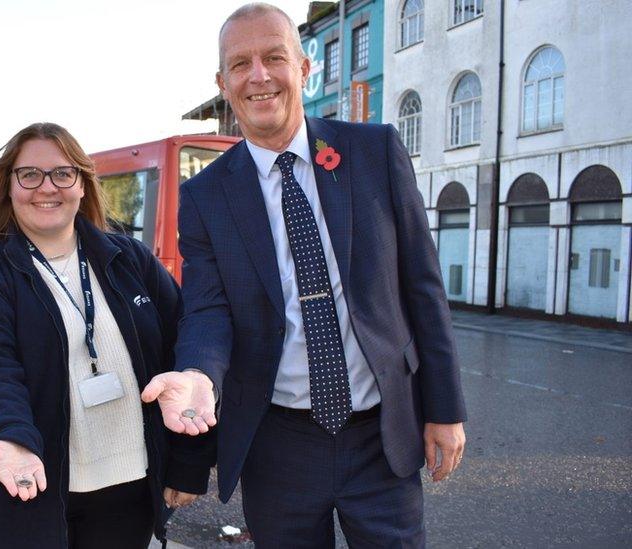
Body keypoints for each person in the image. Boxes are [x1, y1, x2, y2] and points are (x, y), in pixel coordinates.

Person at [141, 3, 467, 547]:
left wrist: (446, 409)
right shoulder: (205, 197)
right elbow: (208, 309)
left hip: (382, 435)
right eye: (240, 64)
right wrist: (197, 373)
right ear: (223, 82)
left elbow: (423, 287)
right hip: (278, 445)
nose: (259, 76)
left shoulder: (374, 150)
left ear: (303, 68)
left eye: (274, 57)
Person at [0, 122, 213, 549]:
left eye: (62, 173)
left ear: (82, 183)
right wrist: (9, 437)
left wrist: (189, 462)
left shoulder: (128, 259)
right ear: (8, 186)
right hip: (28, 485)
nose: (47, 187)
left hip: (128, 489)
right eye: (30, 175)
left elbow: (186, 358)